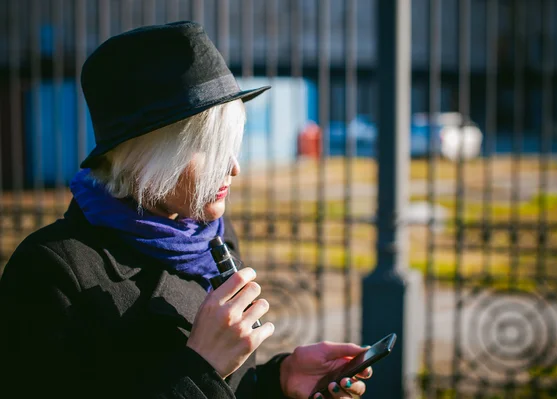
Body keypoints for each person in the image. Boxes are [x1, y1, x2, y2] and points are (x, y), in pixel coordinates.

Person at [0, 22, 372, 399]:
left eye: (232, 146)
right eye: (210, 148)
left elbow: (228, 388)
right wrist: (200, 367)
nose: (234, 168)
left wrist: (281, 382)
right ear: (145, 158)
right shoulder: (51, 271)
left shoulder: (211, 238)